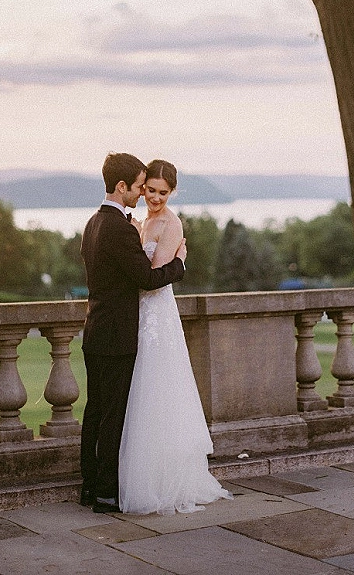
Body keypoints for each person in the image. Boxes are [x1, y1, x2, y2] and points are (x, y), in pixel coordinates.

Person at [118, 159, 232, 515]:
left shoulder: (171, 223)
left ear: (173, 192)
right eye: (150, 190)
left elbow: (153, 278)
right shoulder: (142, 221)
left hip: (156, 316)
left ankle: (160, 481)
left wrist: (177, 263)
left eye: (163, 193)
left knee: (156, 389)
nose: (155, 198)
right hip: (136, 315)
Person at [80, 152, 186, 514]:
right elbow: (147, 278)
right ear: (122, 186)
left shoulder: (93, 223)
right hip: (116, 335)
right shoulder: (121, 228)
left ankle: (89, 487)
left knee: (94, 412)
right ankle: (106, 494)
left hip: (95, 330)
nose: (144, 194)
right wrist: (179, 264)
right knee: (113, 416)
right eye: (141, 186)